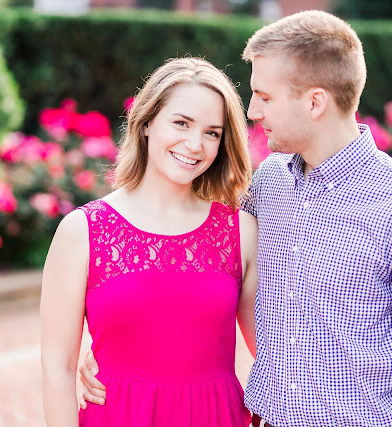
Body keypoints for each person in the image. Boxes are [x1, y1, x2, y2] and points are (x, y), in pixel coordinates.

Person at [78, 10, 392, 427]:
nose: (253, 110)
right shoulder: (270, 183)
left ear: (314, 102)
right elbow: (200, 269)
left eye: (264, 96)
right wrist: (117, 338)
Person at [40, 57, 258, 427]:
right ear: (146, 123)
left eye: (212, 132)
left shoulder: (241, 231)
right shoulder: (82, 231)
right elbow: (57, 368)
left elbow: (273, 353)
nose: (194, 144)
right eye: (181, 123)